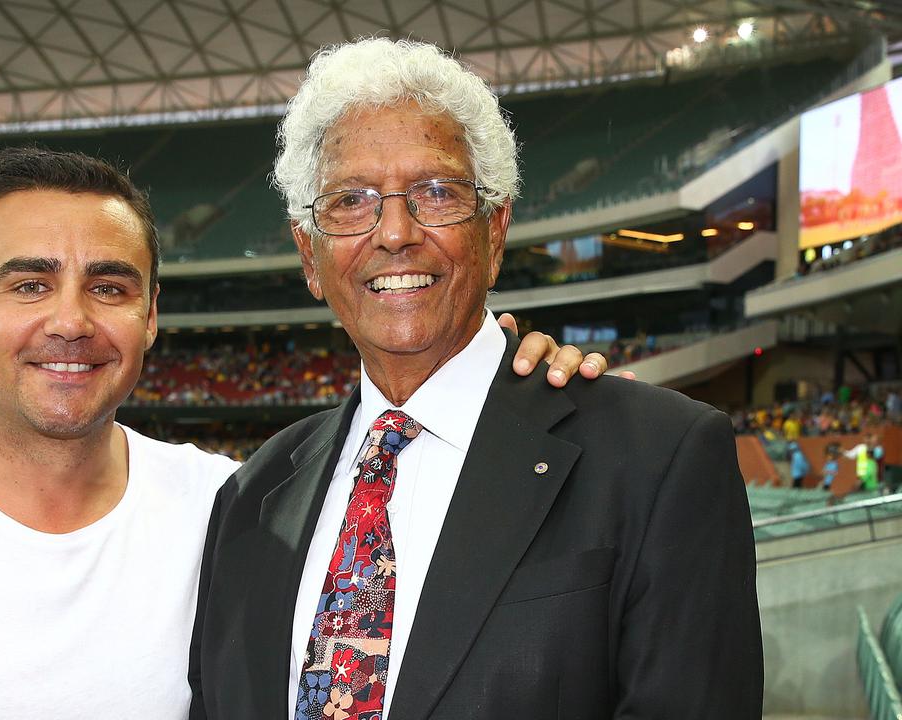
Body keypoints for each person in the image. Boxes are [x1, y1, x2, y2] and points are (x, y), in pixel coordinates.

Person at [0, 148, 606, 718]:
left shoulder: (233, 509)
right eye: (29, 283)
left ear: (153, 313)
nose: (73, 321)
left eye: (111, 286)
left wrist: (515, 374)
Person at [189, 39, 762, 720]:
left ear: (495, 228)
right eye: (350, 200)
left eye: (436, 192)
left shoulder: (658, 459)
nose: (394, 232)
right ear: (309, 254)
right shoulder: (252, 497)